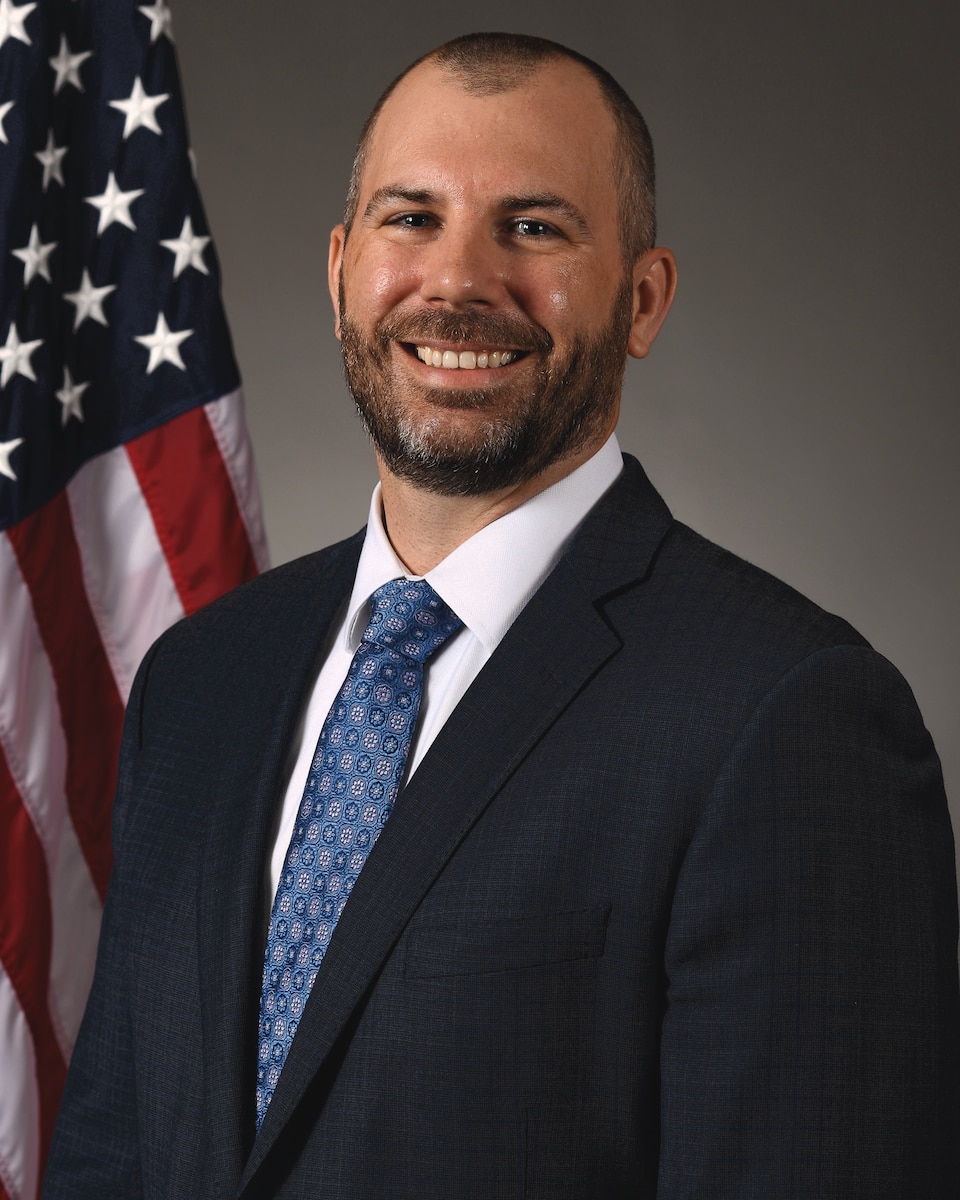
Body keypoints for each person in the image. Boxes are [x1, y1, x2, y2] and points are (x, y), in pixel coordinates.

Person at [44, 32, 959, 1199]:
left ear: (642, 298)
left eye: (533, 226)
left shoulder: (789, 717)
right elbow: (113, 1158)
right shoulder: (200, 678)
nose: (459, 280)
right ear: (339, 271)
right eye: (410, 218)